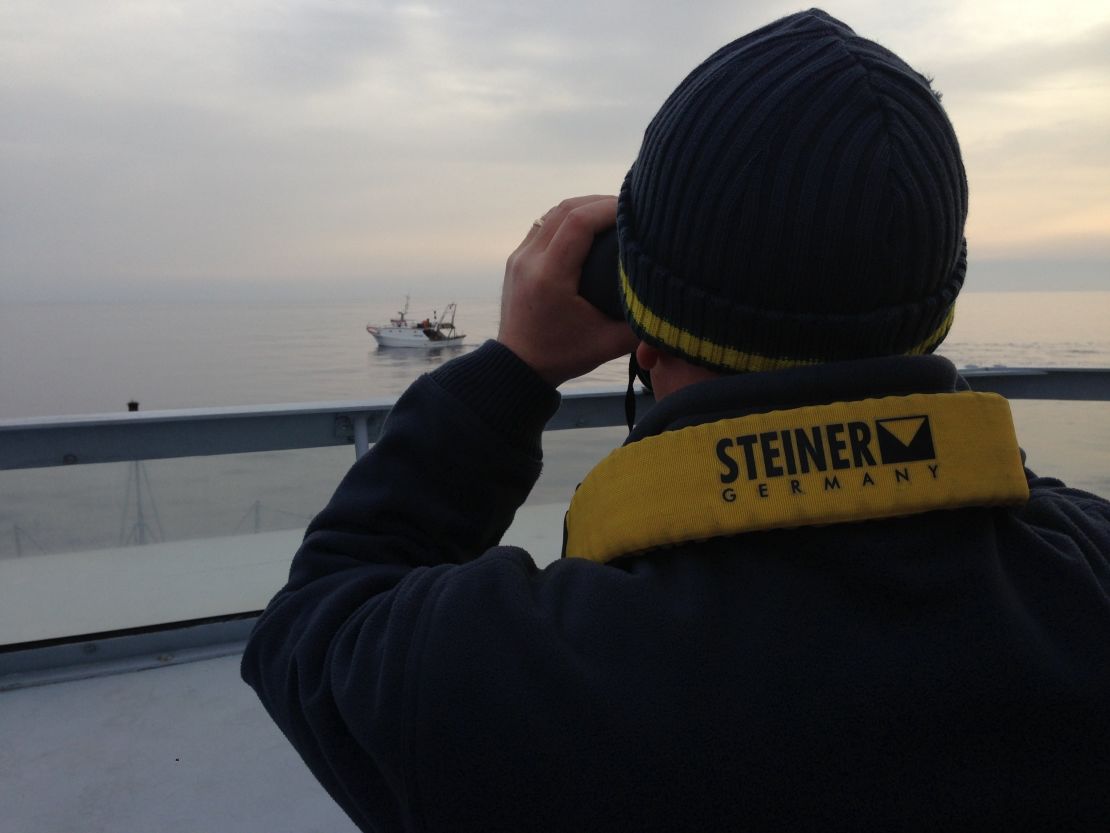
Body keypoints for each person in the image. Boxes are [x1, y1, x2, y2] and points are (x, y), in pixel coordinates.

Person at [242, 10, 1110, 831]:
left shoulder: (512, 678)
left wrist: (512, 371)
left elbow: (315, 620)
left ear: (641, 326)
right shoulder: (1087, 578)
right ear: (937, 309)